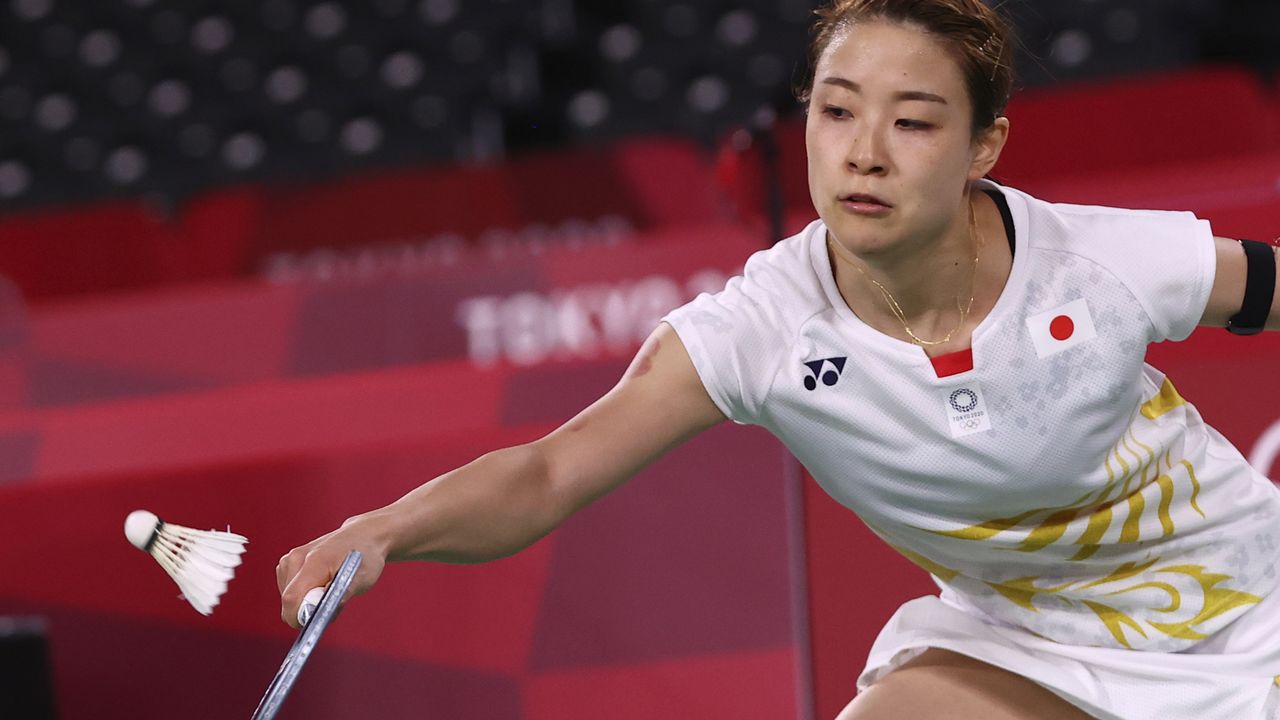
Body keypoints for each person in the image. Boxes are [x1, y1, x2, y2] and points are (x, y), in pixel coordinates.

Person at [276, 1, 1280, 717]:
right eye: (836, 110)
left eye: (914, 122)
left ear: (983, 145)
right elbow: (547, 471)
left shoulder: (1097, 262)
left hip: (1248, 609)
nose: (863, 152)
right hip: (1025, 645)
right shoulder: (762, 328)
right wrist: (385, 532)